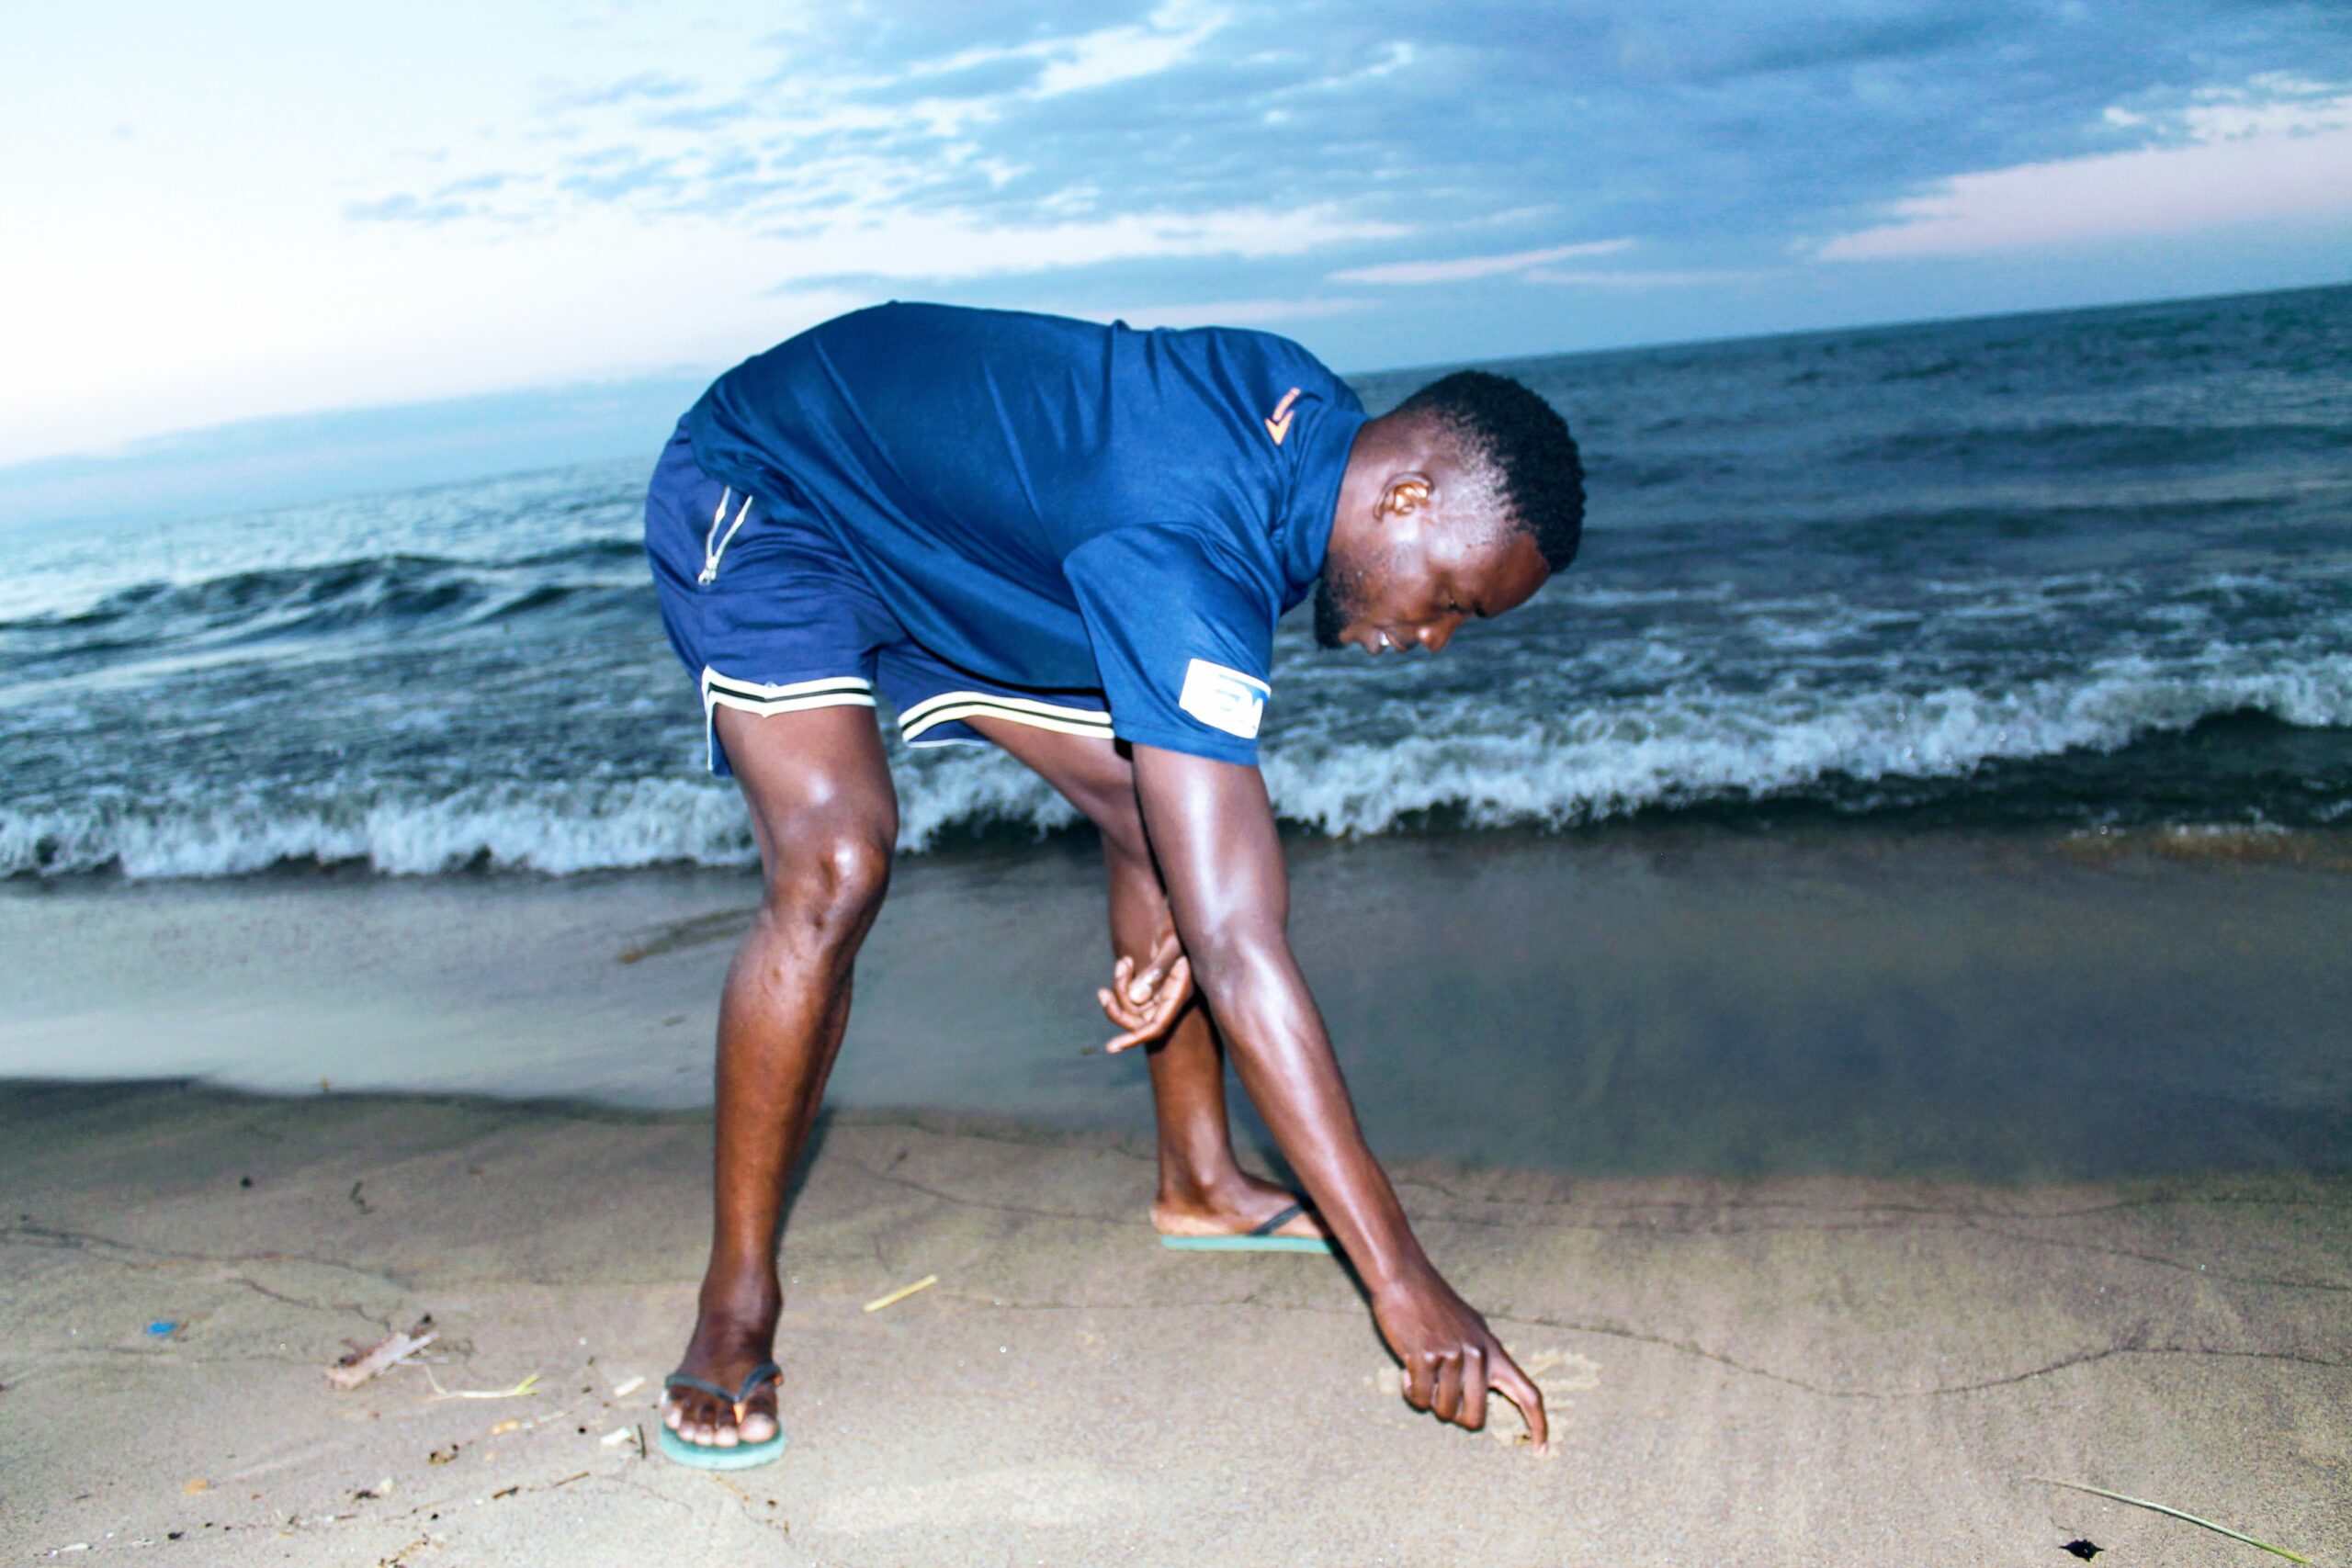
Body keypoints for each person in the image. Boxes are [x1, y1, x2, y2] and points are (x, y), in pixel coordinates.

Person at [642, 301, 1584, 1466]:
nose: (1434, 638)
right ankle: (734, 1302)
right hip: (775, 485)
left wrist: (1211, 913)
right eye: (1450, 599)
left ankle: (1199, 1178)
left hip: (952, 532)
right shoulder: (1187, 537)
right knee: (837, 861)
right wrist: (1403, 1281)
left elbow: (1222, 883)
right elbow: (1239, 945)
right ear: (1406, 497)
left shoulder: (1310, 427)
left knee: (1166, 817)